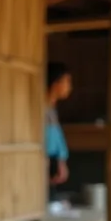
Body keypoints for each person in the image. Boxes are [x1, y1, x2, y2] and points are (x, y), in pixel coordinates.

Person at [45, 62, 72, 203]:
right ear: (55, 83)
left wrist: (61, 160)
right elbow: (50, 138)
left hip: (53, 159)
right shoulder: (43, 107)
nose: (69, 87)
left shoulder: (51, 107)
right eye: (67, 81)